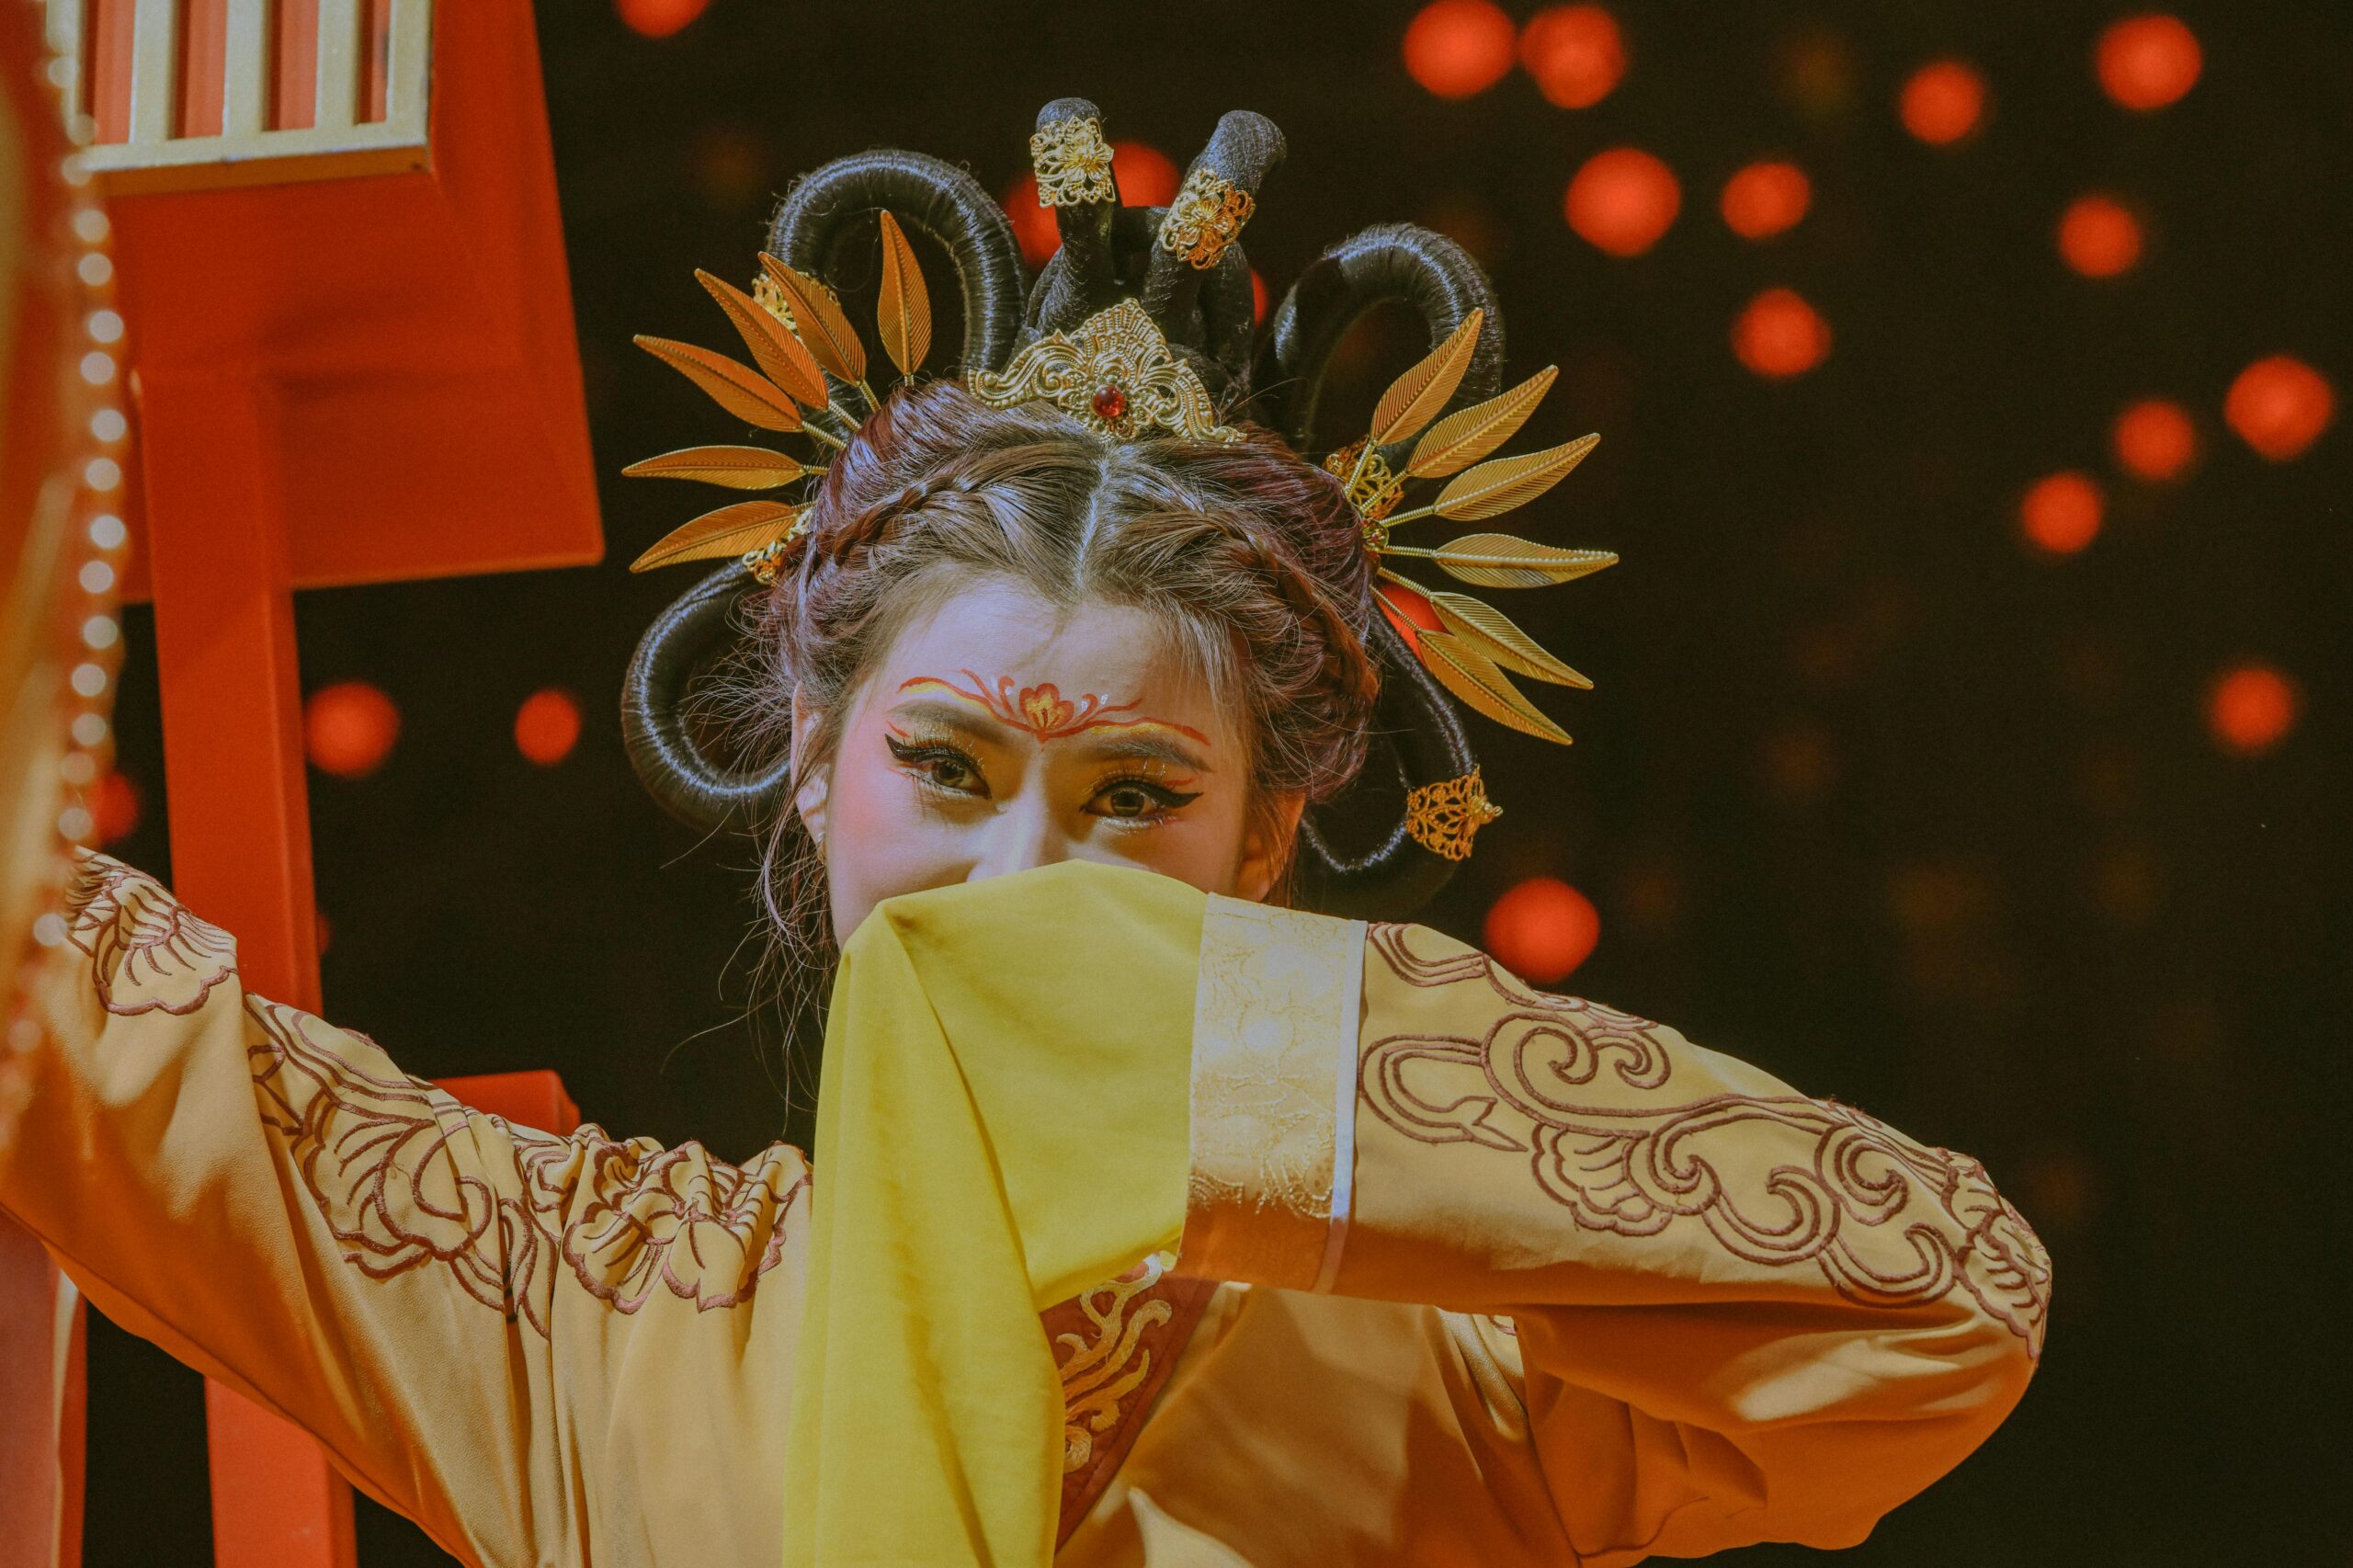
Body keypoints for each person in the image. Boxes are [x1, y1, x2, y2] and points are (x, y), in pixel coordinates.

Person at [0, 101, 2048, 1567]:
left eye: (1135, 803)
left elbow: (1937, 1296)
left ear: (1263, 857)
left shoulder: (1461, 1363)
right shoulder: (581, 1307)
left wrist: (1213, 1059)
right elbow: (55, 995)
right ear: (812, 762)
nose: (1020, 891)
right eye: (952, 772)